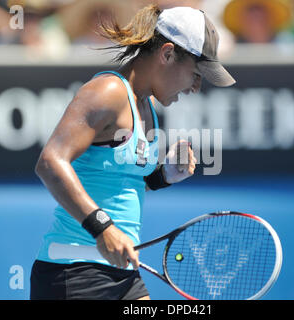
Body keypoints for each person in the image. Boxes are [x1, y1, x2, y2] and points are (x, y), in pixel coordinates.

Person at [30, 4, 235, 300]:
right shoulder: (108, 92)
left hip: (123, 274)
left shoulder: (147, 107)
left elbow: (119, 183)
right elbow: (50, 162)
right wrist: (103, 229)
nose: (195, 87)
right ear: (166, 54)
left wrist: (164, 176)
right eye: (195, 73)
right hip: (73, 273)